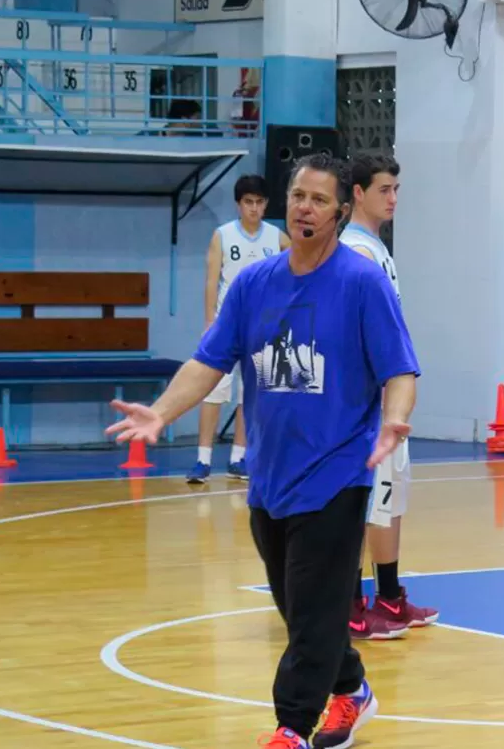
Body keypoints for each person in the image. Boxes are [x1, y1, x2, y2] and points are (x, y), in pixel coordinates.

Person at [107, 153, 421, 749]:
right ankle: (351, 687)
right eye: (298, 196)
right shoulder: (254, 284)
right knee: (304, 610)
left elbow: (400, 368)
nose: (305, 208)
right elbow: (208, 361)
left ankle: (292, 728)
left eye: (319, 200)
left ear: (340, 212)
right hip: (270, 479)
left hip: (336, 475)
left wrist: (394, 419)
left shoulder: (362, 282)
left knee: (312, 613)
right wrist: (162, 411)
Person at [340, 152, 440, 641]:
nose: (393, 198)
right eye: (384, 189)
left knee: (391, 498)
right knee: (366, 504)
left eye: (396, 189)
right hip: (368, 403)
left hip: (390, 399)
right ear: (358, 193)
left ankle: (389, 596)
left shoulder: (376, 248)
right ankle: (349, 604)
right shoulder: (355, 251)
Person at [191, 174, 288, 485]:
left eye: (259, 202)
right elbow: (211, 282)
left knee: (250, 394)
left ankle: (238, 457)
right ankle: (203, 459)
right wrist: (209, 323)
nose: (254, 208)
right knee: (213, 391)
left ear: (266, 204)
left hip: (261, 328)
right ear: (238, 204)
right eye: (248, 202)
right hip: (226, 326)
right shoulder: (223, 235)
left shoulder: (278, 238)